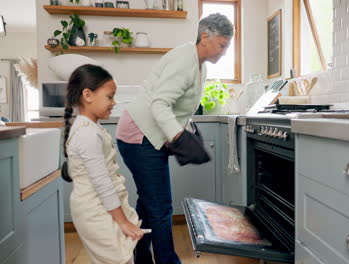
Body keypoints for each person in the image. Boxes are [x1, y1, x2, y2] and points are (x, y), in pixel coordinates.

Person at [116, 13, 234, 264]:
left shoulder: (196, 62)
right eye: (223, 45)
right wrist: (179, 138)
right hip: (140, 135)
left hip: (146, 134)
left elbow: (178, 105)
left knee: (149, 204)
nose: (224, 52)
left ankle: (139, 256)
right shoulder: (185, 59)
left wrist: (186, 131)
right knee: (161, 207)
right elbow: (160, 103)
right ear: (205, 37)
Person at [62, 64, 145, 264]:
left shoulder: (91, 128)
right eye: (110, 96)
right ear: (88, 95)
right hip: (94, 209)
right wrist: (123, 222)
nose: (114, 102)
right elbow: (102, 183)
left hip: (99, 207)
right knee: (118, 258)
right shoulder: (87, 133)